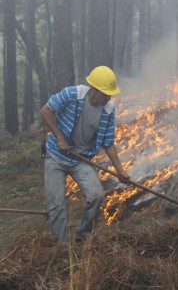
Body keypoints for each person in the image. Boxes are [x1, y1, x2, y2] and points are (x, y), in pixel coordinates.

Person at [40, 65, 130, 244]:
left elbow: (108, 142)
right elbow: (46, 111)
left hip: (81, 160)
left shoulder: (108, 109)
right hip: (56, 156)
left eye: (110, 94)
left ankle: (83, 237)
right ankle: (62, 246)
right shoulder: (73, 94)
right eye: (105, 94)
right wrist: (59, 137)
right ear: (94, 90)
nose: (109, 98)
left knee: (96, 195)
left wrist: (120, 170)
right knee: (56, 204)